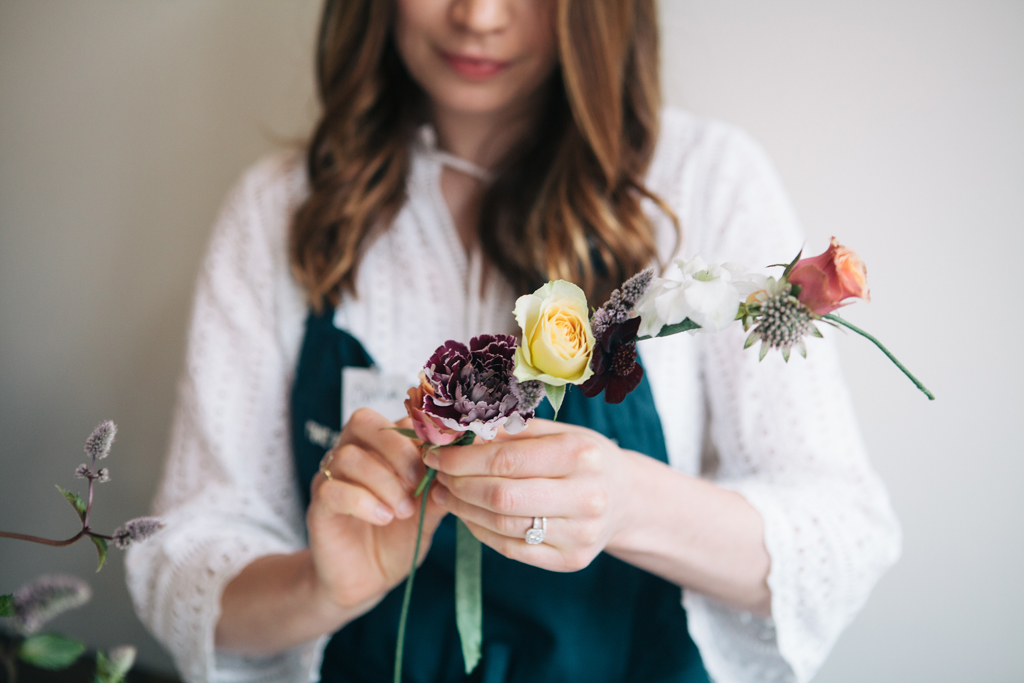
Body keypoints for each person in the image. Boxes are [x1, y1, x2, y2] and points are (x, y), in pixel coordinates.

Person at [126, 1, 901, 682]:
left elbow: (842, 536)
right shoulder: (279, 210)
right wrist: (320, 586)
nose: (480, 14)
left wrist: (629, 504)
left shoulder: (703, 181)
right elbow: (184, 561)